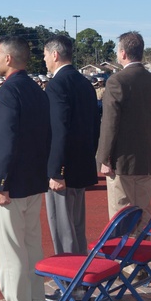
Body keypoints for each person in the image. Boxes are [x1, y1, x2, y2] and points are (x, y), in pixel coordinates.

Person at [0, 35, 51, 301]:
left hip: (10, 186)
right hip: (33, 182)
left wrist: (1, 182)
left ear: (9, 59)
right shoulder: (37, 91)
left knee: (10, 251)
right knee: (31, 247)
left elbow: (6, 142)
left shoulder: (9, 92)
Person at [95, 31, 151, 232]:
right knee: (143, 211)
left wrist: (104, 157)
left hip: (122, 160)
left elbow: (110, 123)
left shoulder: (117, 81)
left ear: (123, 53)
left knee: (122, 214)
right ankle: (142, 256)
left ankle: (127, 261)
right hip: (146, 157)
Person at [42, 35, 98, 267]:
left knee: (63, 229)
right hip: (82, 164)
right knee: (76, 227)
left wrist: (56, 171)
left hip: (64, 170)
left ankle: (71, 281)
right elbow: (94, 126)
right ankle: (81, 275)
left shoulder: (57, 85)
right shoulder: (84, 83)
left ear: (55, 55)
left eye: (45, 55)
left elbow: (59, 131)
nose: (44, 60)